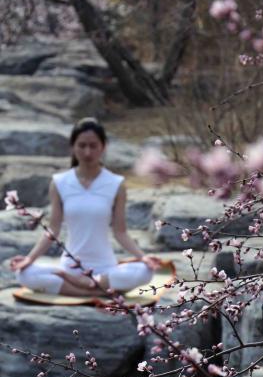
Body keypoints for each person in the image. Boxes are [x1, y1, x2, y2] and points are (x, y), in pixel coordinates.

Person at [10, 117, 161, 296]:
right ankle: (95, 291)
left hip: (106, 269)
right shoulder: (60, 182)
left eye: (93, 145)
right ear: (73, 147)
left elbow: (120, 232)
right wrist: (29, 259)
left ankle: (80, 287)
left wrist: (143, 258)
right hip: (70, 267)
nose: (87, 152)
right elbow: (53, 230)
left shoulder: (115, 183)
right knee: (24, 274)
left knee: (145, 272)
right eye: (82, 146)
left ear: (103, 147)